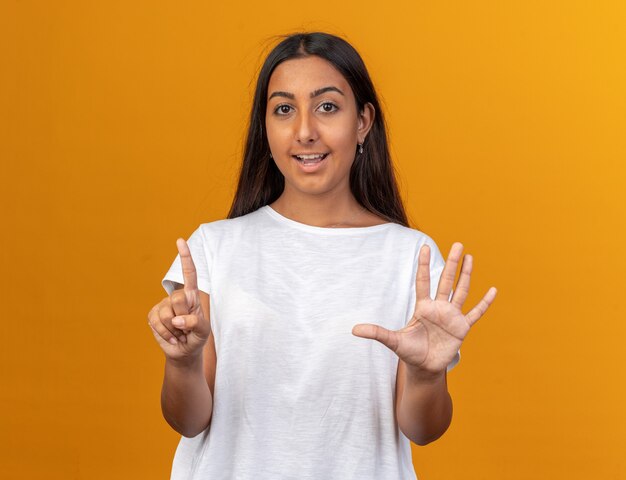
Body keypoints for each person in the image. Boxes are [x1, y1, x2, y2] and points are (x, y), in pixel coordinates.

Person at [147, 31, 497, 479]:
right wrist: (183, 362)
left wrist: (428, 375)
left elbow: (423, 429)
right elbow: (189, 420)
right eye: (284, 109)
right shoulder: (213, 249)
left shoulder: (412, 257)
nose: (305, 131)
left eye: (327, 106)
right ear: (266, 126)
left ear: (363, 121)